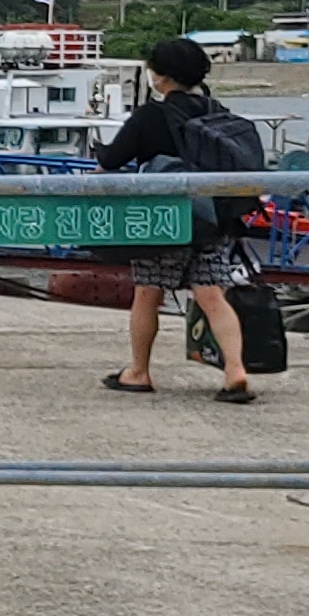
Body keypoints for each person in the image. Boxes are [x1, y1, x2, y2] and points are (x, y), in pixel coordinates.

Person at [98, 35, 258, 403]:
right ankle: (235, 370)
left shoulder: (151, 115)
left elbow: (112, 159)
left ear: (160, 76)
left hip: (163, 220)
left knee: (147, 293)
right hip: (212, 220)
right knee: (212, 295)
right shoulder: (217, 112)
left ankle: (138, 372)